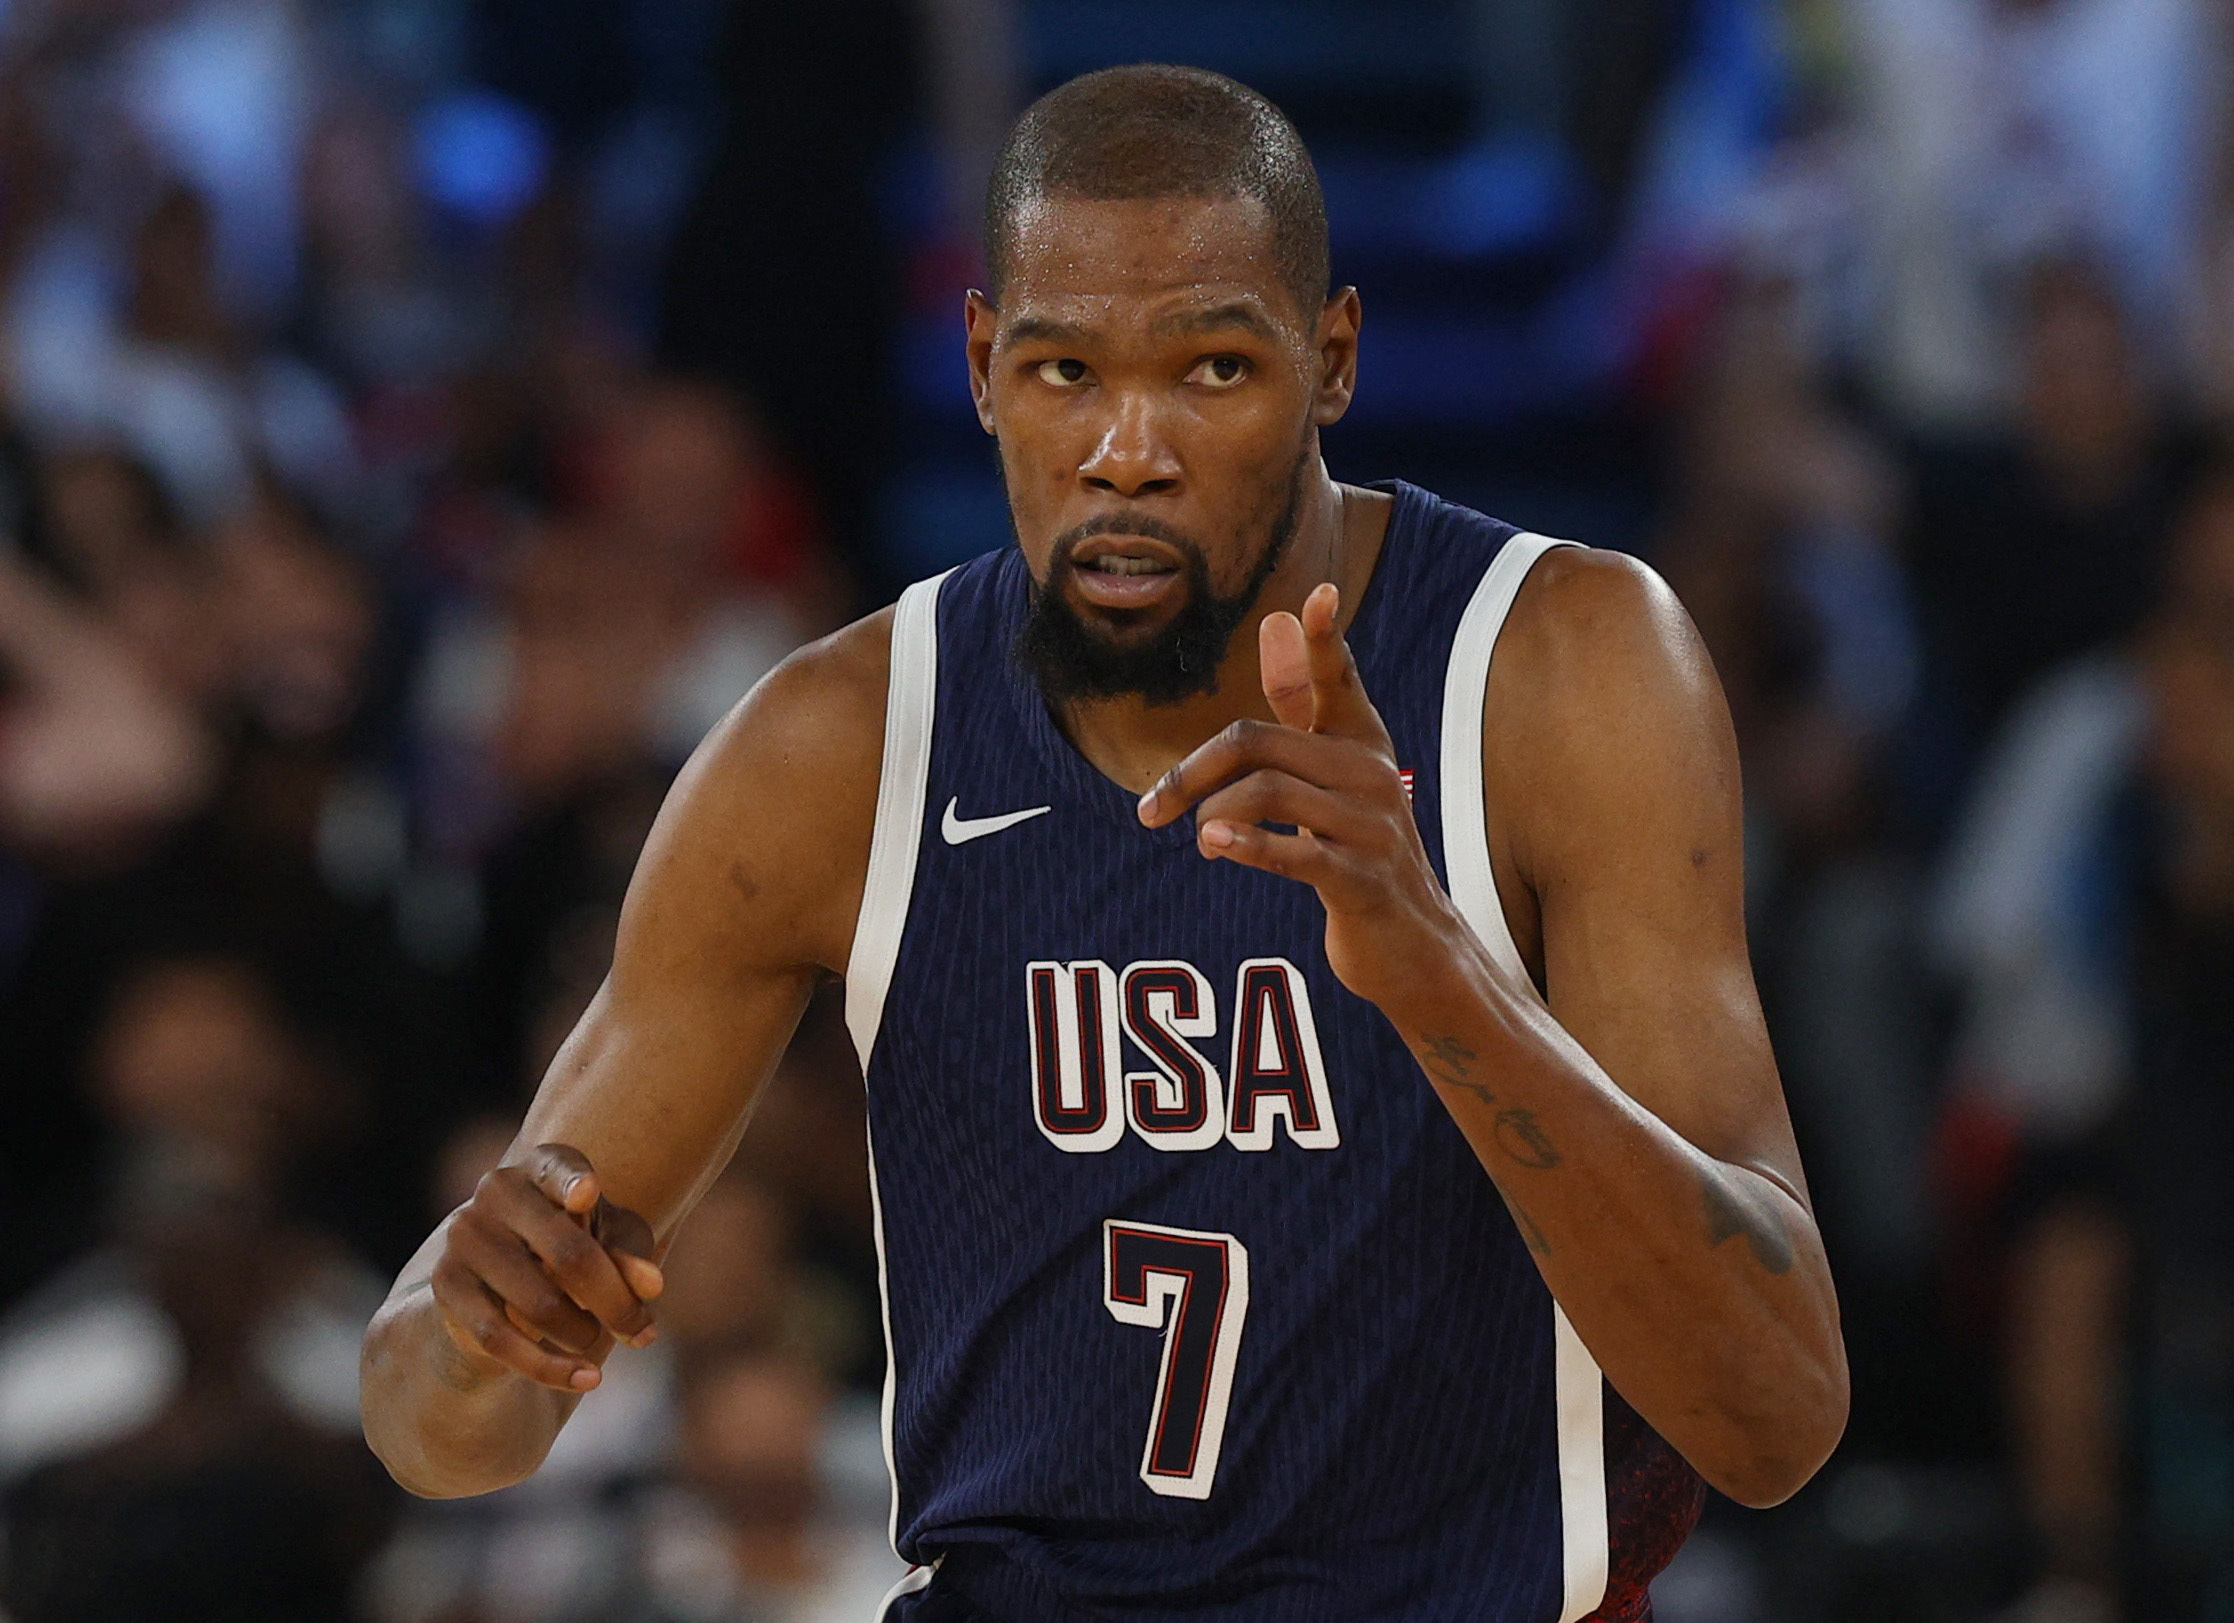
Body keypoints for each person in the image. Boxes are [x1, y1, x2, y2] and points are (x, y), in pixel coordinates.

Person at [361, 66, 1847, 1621]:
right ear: (985, 364)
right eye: (1066, 371)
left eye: (1211, 370)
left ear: (1330, 360)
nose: (1126, 449)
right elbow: (436, 1429)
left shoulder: (1562, 668)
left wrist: (1439, 979)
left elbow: (1774, 1414)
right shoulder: (833, 747)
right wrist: (475, 1330)